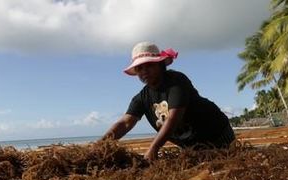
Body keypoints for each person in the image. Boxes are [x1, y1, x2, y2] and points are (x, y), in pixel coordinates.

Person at [101, 42, 235, 161]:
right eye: (140, 68)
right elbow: (125, 123)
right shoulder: (142, 97)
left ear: (160, 65)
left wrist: (153, 148)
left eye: (149, 65)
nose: (144, 71)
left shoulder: (176, 81)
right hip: (192, 146)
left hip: (217, 135)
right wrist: (100, 145)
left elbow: (173, 118)